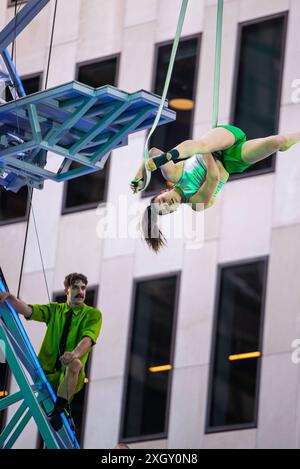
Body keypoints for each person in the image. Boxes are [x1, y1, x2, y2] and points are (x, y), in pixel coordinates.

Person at [130, 124, 300, 252]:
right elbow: (214, 177)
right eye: (167, 209)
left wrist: (140, 174)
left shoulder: (173, 174)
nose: (168, 204)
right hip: (232, 161)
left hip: (217, 143)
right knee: (279, 142)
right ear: (174, 211)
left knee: (201, 145)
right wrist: (208, 154)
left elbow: (153, 152)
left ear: (164, 192)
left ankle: (171, 155)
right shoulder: (196, 203)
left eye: (162, 202)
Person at [0, 272, 102, 431]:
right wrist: (10, 298)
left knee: (75, 364)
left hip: (70, 376)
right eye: (76, 287)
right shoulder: (55, 309)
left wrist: (74, 354)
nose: (81, 292)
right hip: (45, 373)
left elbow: (88, 339)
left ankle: (60, 409)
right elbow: (29, 310)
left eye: (83, 288)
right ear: (67, 290)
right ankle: (64, 411)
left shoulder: (93, 314)